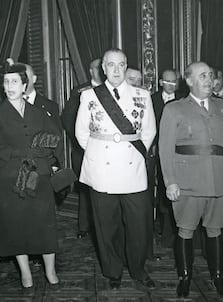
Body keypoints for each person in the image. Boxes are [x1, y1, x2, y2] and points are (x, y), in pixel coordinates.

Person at [159, 61, 223, 298]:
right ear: (189, 81)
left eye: (211, 75)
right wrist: (171, 181)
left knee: (215, 230)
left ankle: (218, 276)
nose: (209, 80)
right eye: (203, 76)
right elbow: (165, 150)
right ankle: (185, 277)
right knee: (185, 230)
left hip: (219, 179)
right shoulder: (174, 109)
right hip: (187, 181)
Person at [75, 48, 156, 290]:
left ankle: (138, 269)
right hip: (103, 170)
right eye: (111, 65)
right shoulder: (89, 96)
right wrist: (100, 152)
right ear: (104, 69)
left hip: (133, 168)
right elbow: (81, 133)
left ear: (126, 65)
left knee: (138, 225)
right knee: (106, 225)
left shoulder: (142, 95)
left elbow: (149, 131)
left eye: (121, 65)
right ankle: (113, 271)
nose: (117, 70)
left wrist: (133, 150)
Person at [0, 59, 63, 288]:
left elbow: (54, 139)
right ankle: (25, 273)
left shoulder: (40, 113)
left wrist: (42, 154)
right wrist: (21, 151)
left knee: (44, 225)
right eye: (6, 82)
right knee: (17, 227)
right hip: (11, 179)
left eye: (15, 82)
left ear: (24, 84)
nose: (9, 86)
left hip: (39, 177)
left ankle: (50, 270)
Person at [61, 58, 104, 239]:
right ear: (90, 71)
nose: (100, 72)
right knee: (86, 189)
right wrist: (81, 142)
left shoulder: (110, 90)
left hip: (105, 150)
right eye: (96, 68)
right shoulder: (79, 91)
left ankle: (102, 227)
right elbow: (67, 119)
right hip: (83, 149)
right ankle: (84, 227)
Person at [151, 69, 182, 248]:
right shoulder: (152, 99)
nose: (171, 85)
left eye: (174, 82)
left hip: (176, 154)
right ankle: (161, 228)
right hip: (154, 151)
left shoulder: (182, 100)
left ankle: (172, 232)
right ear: (161, 82)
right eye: (167, 82)